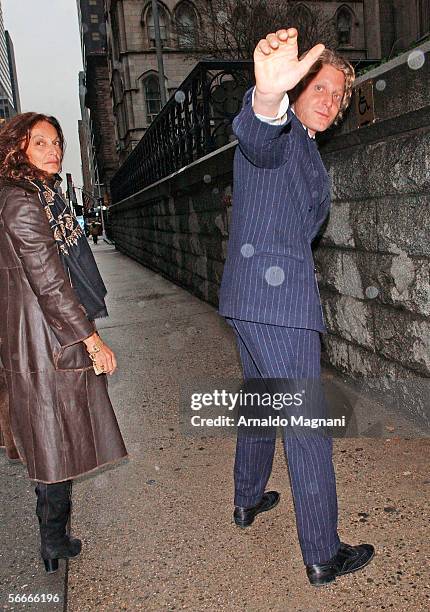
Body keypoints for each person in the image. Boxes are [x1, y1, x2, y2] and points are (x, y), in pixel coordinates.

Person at [219, 28, 374, 586]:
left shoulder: (305, 145)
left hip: (251, 297)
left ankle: (246, 499)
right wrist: (266, 95)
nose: (331, 101)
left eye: (340, 95)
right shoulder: (281, 130)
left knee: (260, 402)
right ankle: (323, 552)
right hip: (277, 303)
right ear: (296, 84)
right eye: (323, 87)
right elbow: (258, 132)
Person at [0, 112, 127, 573]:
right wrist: (92, 340)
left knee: (57, 437)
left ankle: (56, 538)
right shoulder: (21, 201)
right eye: (41, 144)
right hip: (45, 340)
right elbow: (49, 281)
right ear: (18, 150)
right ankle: (52, 541)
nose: (54, 151)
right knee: (53, 439)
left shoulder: (40, 196)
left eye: (56, 143)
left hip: (44, 334)